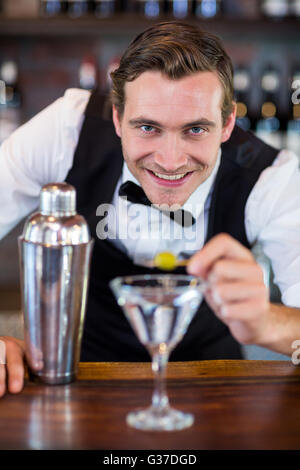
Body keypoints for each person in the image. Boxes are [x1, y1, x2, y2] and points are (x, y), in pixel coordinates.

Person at [0, 21, 300, 398]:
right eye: (147, 128)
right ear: (117, 119)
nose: (170, 161)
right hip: (75, 379)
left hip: (214, 387)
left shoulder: (269, 176)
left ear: (226, 125)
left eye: (195, 130)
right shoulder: (67, 130)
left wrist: (266, 325)